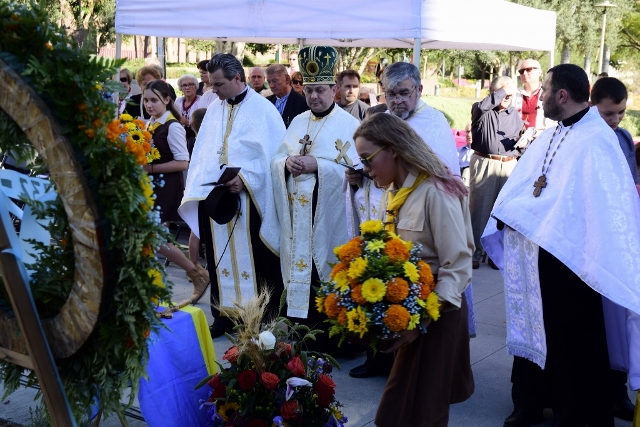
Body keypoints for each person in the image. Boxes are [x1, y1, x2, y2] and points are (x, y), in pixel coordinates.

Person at [482, 64, 640, 427]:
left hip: (571, 263)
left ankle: (576, 410)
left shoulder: (596, 139)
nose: (541, 99)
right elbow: (532, 185)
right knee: (532, 328)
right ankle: (531, 401)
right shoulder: (552, 134)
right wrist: (507, 213)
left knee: (571, 338)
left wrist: (544, 222)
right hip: (536, 255)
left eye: (547, 91)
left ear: (562, 96)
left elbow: (592, 208)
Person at [344, 60, 464, 378]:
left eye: (403, 93)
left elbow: (442, 176)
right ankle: (380, 354)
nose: (397, 100)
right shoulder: (381, 122)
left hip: (427, 260)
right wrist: (362, 177)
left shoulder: (434, 123)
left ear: (419, 90)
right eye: (390, 93)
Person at [353, 113, 474, 427]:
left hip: (436, 316)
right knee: (404, 407)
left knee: (422, 411)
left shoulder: (437, 191)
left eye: (367, 159)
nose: (365, 169)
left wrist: (418, 321)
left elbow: (457, 266)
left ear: (393, 149)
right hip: (411, 316)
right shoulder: (396, 192)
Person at [179, 54, 286, 338]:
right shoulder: (214, 108)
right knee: (218, 258)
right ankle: (224, 316)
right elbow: (203, 154)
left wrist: (247, 179)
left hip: (251, 202)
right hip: (217, 198)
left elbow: (275, 160)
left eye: (218, 84)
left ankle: (261, 319)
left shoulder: (263, 110)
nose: (213, 89)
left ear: (237, 78)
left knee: (258, 260)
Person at [271, 45, 359, 355]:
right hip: (297, 220)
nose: (314, 97)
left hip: (328, 222)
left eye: (320, 90)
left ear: (334, 89)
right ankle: (296, 335)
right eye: (309, 90)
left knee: (325, 274)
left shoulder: (349, 126)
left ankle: (330, 343)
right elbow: (277, 158)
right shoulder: (297, 122)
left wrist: (319, 166)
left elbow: (356, 173)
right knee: (298, 272)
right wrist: (286, 164)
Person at [143, 80, 209, 303]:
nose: (149, 105)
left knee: (156, 238)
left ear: (167, 100)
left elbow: (182, 162)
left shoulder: (172, 127)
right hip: (150, 186)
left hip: (165, 188)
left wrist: (149, 168)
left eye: (154, 100)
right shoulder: (150, 124)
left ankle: (196, 272)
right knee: (151, 239)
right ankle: (151, 285)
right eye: (146, 100)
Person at [469, 76, 523, 270]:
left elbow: (519, 139)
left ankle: (494, 253)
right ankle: (473, 251)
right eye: (502, 91)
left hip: (508, 164)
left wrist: (524, 141)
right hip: (485, 163)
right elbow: (483, 107)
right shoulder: (481, 109)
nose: (507, 95)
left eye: (509, 92)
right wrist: (503, 91)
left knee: (502, 213)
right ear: (492, 92)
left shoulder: (514, 114)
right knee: (479, 211)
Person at [513, 59, 552, 131]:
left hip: (543, 138)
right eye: (521, 71)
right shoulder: (514, 94)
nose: (524, 73)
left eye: (528, 70)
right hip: (517, 140)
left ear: (539, 72)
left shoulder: (550, 93)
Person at [175, 74, 207, 146]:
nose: (187, 87)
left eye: (190, 84)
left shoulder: (201, 101)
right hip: (179, 137)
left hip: (196, 139)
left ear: (196, 87)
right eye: (184, 85)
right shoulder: (177, 102)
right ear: (181, 88)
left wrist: (188, 123)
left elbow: (203, 123)